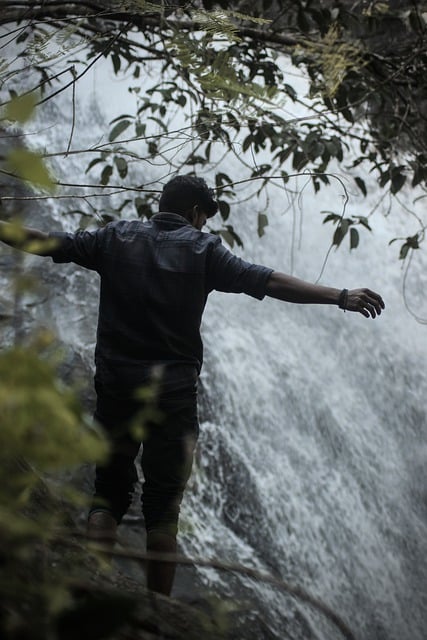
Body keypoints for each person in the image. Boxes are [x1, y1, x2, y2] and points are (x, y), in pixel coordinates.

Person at [0, 175, 384, 596]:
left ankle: (93, 592)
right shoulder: (203, 250)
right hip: (174, 395)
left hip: (116, 385)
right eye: (203, 218)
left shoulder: (114, 238)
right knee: (163, 508)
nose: (203, 226)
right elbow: (268, 281)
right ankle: (160, 614)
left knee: (108, 491)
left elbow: (44, 241)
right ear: (195, 213)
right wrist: (340, 295)